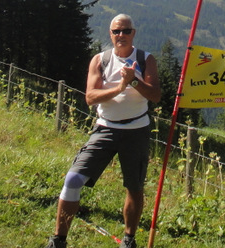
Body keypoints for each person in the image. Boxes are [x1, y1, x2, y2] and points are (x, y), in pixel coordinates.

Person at [46, 14, 161, 248]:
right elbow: (90, 97)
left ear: (133, 33)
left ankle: (128, 239)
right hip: (105, 128)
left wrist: (135, 82)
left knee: (134, 186)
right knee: (73, 179)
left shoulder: (146, 59)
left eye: (126, 31)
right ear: (110, 33)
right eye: (116, 31)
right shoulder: (100, 60)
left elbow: (156, 96)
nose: (121, 35)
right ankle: (59, 239)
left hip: (136, 130)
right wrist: (120, 87)